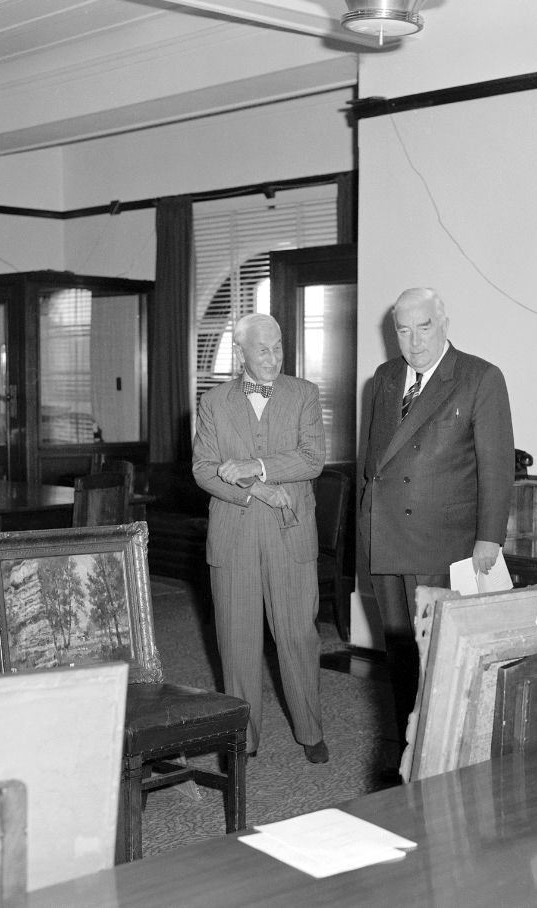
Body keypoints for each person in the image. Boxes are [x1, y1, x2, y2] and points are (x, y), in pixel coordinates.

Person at [361, 287, 514, 748]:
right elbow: (373, 466)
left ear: (443, 323)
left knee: (442, 659)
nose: (414, 340)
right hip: (387, 540)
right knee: (401, 656)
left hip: (443, 546)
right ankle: (407, 749)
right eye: (403, 330)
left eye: (423, 327)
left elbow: (496, 466)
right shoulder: (384, 378)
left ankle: (444, 753)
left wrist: (489, 539)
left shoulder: (478, 377)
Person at [192, 312, 329, 764]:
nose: (272, 358)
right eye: (262, 350)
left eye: (278, 347)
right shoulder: (213, 403)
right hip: (234, 531)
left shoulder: (304, 394)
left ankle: (310, 730)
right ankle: (242, 739)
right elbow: (204, 469)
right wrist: (257, 491)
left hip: (290, 534)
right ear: (241, 354)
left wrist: (256, 467)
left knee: (297, 637)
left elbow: (312, 459)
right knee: (237, 641)